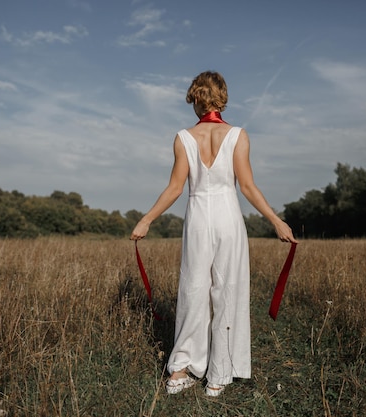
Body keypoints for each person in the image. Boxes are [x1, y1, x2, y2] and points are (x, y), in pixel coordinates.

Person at [130, 71, 297, 396]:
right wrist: (276, 220)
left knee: (193, 289)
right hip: (228, 218)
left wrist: (146, 219)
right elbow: (246, 186)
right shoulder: (238, 135)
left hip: (197, 219)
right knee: (227, 290)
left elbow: (175, 188)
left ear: (195, 99)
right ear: (222, 97)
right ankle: (218, 376)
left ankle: (180, 371)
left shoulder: (183, 137)